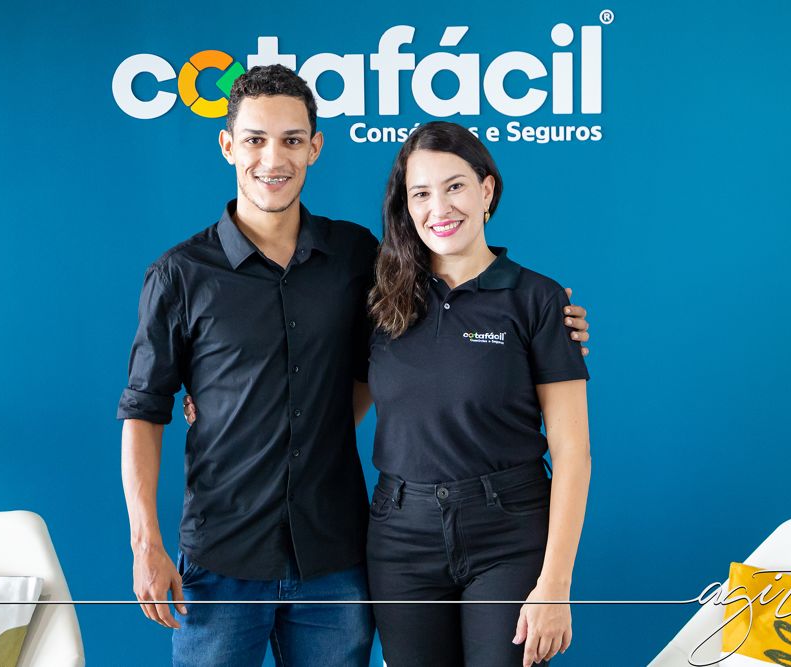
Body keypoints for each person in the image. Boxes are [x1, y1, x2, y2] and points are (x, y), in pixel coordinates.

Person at [126, 65, 590, 666]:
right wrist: (147, 539)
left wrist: (549, 322)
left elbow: (397, 351)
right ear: (228, 145)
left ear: (315, 147)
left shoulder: (356, 257)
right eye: (255, 139)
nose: (273, 158)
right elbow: (143, 407)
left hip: (333, 555)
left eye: (292, 139)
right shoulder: (180, 275)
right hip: (225, 552)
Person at [363, 121, 591, 667]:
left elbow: (573, 454)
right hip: (401, 538)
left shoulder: (538, 299)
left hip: (508, 534)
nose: (439, 208)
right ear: (406, 206)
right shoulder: (381, 300)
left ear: (486, 190)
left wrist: (555, 584)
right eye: (421, 193)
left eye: (455, 186)